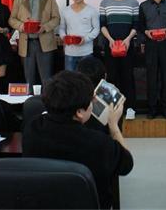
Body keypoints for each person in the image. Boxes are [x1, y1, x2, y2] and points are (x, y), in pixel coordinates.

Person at [22, 71, 133, 210]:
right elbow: (126, 165)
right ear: (79, 112)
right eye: (92, 101)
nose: (93, 103)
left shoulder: (32, 128)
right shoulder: (99, 143)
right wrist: (114, 126)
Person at [9, 0, 60, 89]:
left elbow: (56, 18)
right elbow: (12, 19)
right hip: (26, 44)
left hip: (45, 43)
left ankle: (48, 99)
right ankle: (29, 99)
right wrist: (21, 26)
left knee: (46, 78)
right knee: (29, 78)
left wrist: (45, 27)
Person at [99, 0, 139, 119]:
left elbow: (136, 25)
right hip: (110, 45)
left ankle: (130, 108)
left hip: (127, 46)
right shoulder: (105, 3)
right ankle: (112, 109)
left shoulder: (133, 3)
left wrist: (128, 39)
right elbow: (102, 25)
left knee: (128, 76)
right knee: (111, 76)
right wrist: (110, 39)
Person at [58, 0, 100, 71]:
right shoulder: (65, 11)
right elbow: (61, 28)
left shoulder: (92, 11)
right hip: (70, 52)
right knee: (70, 78)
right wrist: (64, 38)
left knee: (86, 77)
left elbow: (96, 29)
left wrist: (85, 39)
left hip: (86, 52)